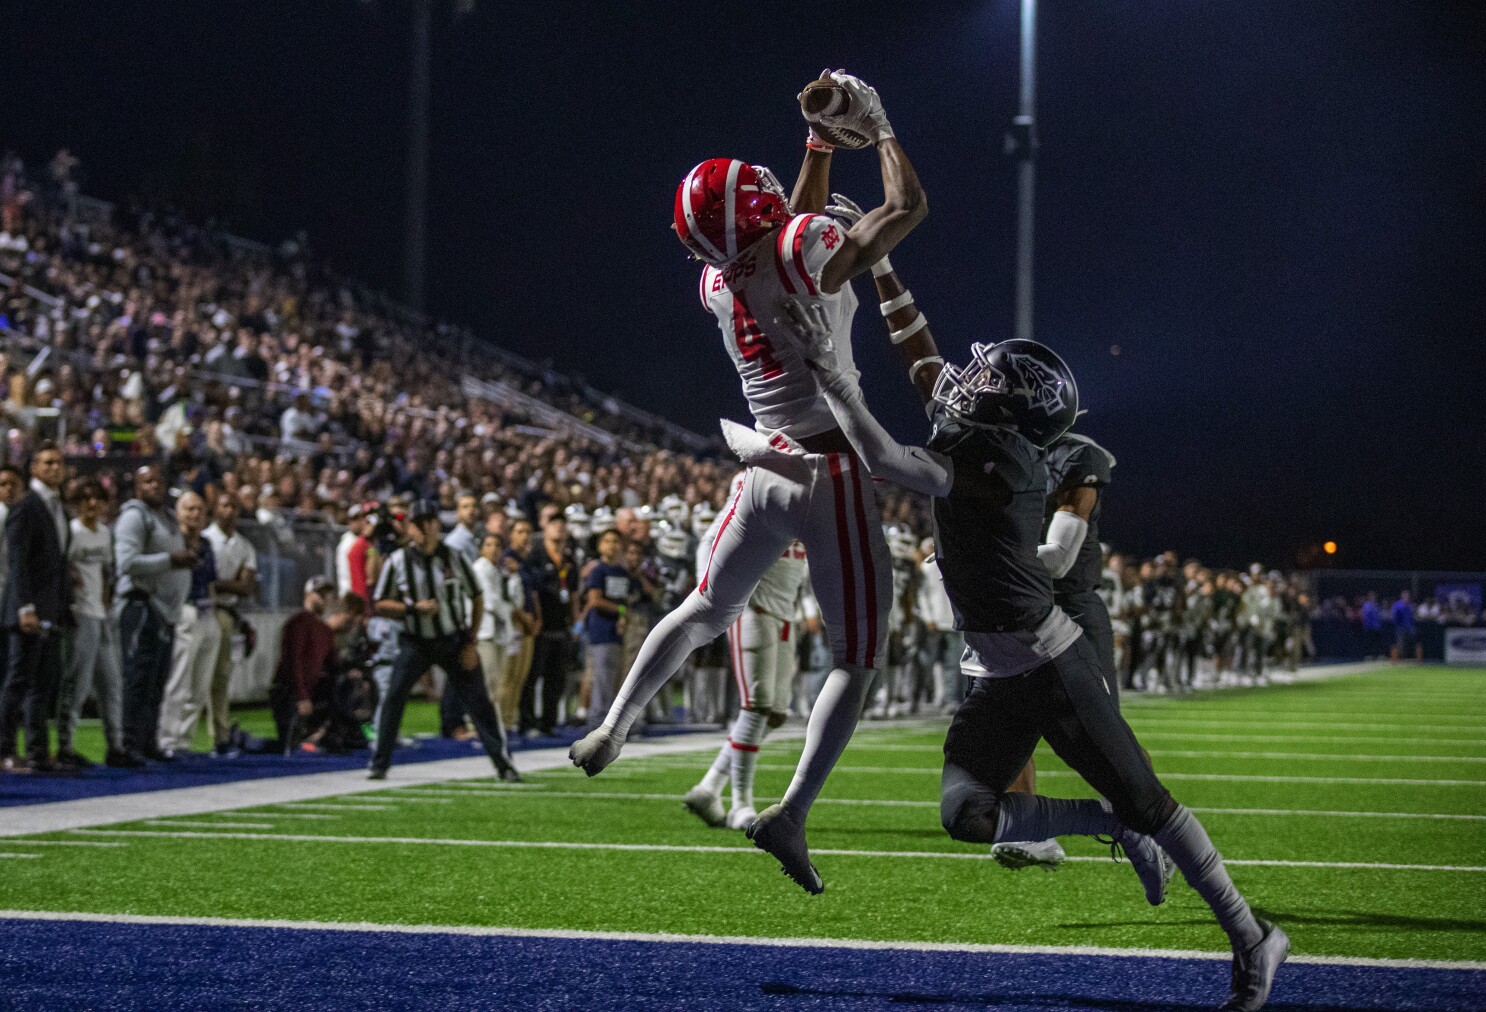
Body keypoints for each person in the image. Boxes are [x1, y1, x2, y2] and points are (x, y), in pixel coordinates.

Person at [797, 288, 1287, 1010]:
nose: (970, 383)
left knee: (1150, 801)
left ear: (1013, 411)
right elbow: (922, 359)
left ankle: (1253, 939)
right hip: (997, 668)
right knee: (967, 813)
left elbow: (886, 458)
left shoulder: (1004, 462)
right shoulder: (983, 436)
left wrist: (831, 374)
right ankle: (1103, 822)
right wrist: (882, 267)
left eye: (990, 380)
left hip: (1049, 663)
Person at [572, 70, 928, 896]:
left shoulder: (715, 280)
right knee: (857, 658)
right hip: (828, 469)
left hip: (760, 465)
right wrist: (876, 133)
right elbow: (902, 213)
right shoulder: (802, 250)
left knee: (704, 607)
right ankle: (792, 811)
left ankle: (612, 727)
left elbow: (783, 226)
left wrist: (814, 144)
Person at [369, 499, 518, 781]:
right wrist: (413, 609)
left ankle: (503, 763)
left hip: (453, 640)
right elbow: (381, 604)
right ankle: (380, 762)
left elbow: (476, 597)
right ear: (412, 528)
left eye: (431, 524)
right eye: (420, 524)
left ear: (437, 526)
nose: (426, 530)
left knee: (479, 703)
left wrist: (471, 641)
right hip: (416, 641)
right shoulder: (398, 560)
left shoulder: (453, 556)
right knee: (394, 697)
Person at [684, 536, 808, 831]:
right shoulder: (747, 489)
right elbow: (710, 540)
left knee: (776, 714)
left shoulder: (812, 498)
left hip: (785, 611)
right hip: (754, 607)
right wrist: (712, 598)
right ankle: (741, 804)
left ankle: (709, 787)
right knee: (756, 706)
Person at [115, 465, 197, 761]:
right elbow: (127, 563)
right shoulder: (134, 517)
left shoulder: (168, 519)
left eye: (159, 480)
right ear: (137, 487)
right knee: (137, 677)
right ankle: (128, 743)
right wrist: (170, 559)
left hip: (164, 610)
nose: (155, 486)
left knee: (156, 680)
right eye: (147, 481)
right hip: (140, 603)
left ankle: (148, 740)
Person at [0, 443, 72, 773]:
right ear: (34, 468)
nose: (55, 468)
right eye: (48, 463)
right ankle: (3, 751)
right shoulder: (27, 506)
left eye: (59, 462)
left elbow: (54, 564)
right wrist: (24, 607)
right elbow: (18, 564)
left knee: (42, 686)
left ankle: (38, 753)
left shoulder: (57, 507)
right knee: (17, 683)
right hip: (28, 612)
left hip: (50, 611)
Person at [58, 479, 139, 768]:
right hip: (81, 613)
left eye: (97, 499)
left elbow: (106, 571)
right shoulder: (73, 533)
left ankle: (115, 746)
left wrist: (106, 602)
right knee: (77, 684)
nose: (92, 504)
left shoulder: (105, 533)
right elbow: (63, 569)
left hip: (101, 613)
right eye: (86, 499)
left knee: (112, 683)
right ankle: (65, 746)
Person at [156, 492, 220, 757]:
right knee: (178, 680)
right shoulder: (172, 542)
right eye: (189, 509)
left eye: (199, 509)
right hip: (184, 609)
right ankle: (167, 739)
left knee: (200, 684)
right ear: (178, 513)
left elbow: (212, 582)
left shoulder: (205, 544)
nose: (194, 514)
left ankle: (184, 739)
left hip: (206, 611)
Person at [202, 494, 258, 757]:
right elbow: (206, 583)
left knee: (221, 677)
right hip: (205, 608)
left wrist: (218, 583)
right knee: (192, 678)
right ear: (215, 509)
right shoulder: (206, 540)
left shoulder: (244, 545)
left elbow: (247, 587)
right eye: (225, 504)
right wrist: (227, 583)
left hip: (227, 611)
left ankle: (221, 736)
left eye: (234, 506)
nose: (230, 510)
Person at [521, 513, 577, 736]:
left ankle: (549, 723)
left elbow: (572, 593)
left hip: (561, 626)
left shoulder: (569, 560)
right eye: (554, 524)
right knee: (532, 677)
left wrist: (575, 622)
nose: (559, 529)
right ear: (544, 529)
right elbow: (532, 591)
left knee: (556, 678)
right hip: (540, 626)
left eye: (562, 525)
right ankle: (527, 722)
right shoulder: (535, 556)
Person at [272, 576, 337, 752]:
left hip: (313, 691)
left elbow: (332, 664)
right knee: (290, 745)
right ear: (308, 595)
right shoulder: (299, 623)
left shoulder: (325, 630)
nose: (324, 598)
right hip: (291, 692)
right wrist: (301, 696)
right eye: (319, 593)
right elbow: (293, 661)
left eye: (327, 594)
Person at [580, 529, 631, 731]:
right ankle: (597, 720)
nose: (611, 545)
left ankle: (609, 719)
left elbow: (624, 600)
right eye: (607, 541)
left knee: (614, 677)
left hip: (616, 631)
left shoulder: (621, 572)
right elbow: (595, 600)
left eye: (615, 541)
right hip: (601, 630)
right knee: (601, 677)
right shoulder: (598, 570)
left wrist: (623, 616)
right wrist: (621, 610)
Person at [472, 532, 516, 719]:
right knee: (487, 679)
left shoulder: (496, 570)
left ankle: (493, 721)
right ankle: (480, 722)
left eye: (497, 546)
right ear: (481, 548)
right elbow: (490, 601)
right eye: (488, 545)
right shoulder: (480, 568)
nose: (493, 549)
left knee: (496, 679)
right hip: (485, 630)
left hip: (497, 630)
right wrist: (509, 610)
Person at [1391, 590, 1421, 662]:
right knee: (1401, 644)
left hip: (1410, 628)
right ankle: (1398, 659)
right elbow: (1395, 617)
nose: (1407, 598)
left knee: (1412, 644)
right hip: (1401, 628)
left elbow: (1413, 617)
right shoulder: (1397, 605)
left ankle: (1414, 659)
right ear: (1402, 596)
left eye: (1408, 596)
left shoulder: (1411, 605)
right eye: (1405, 596)